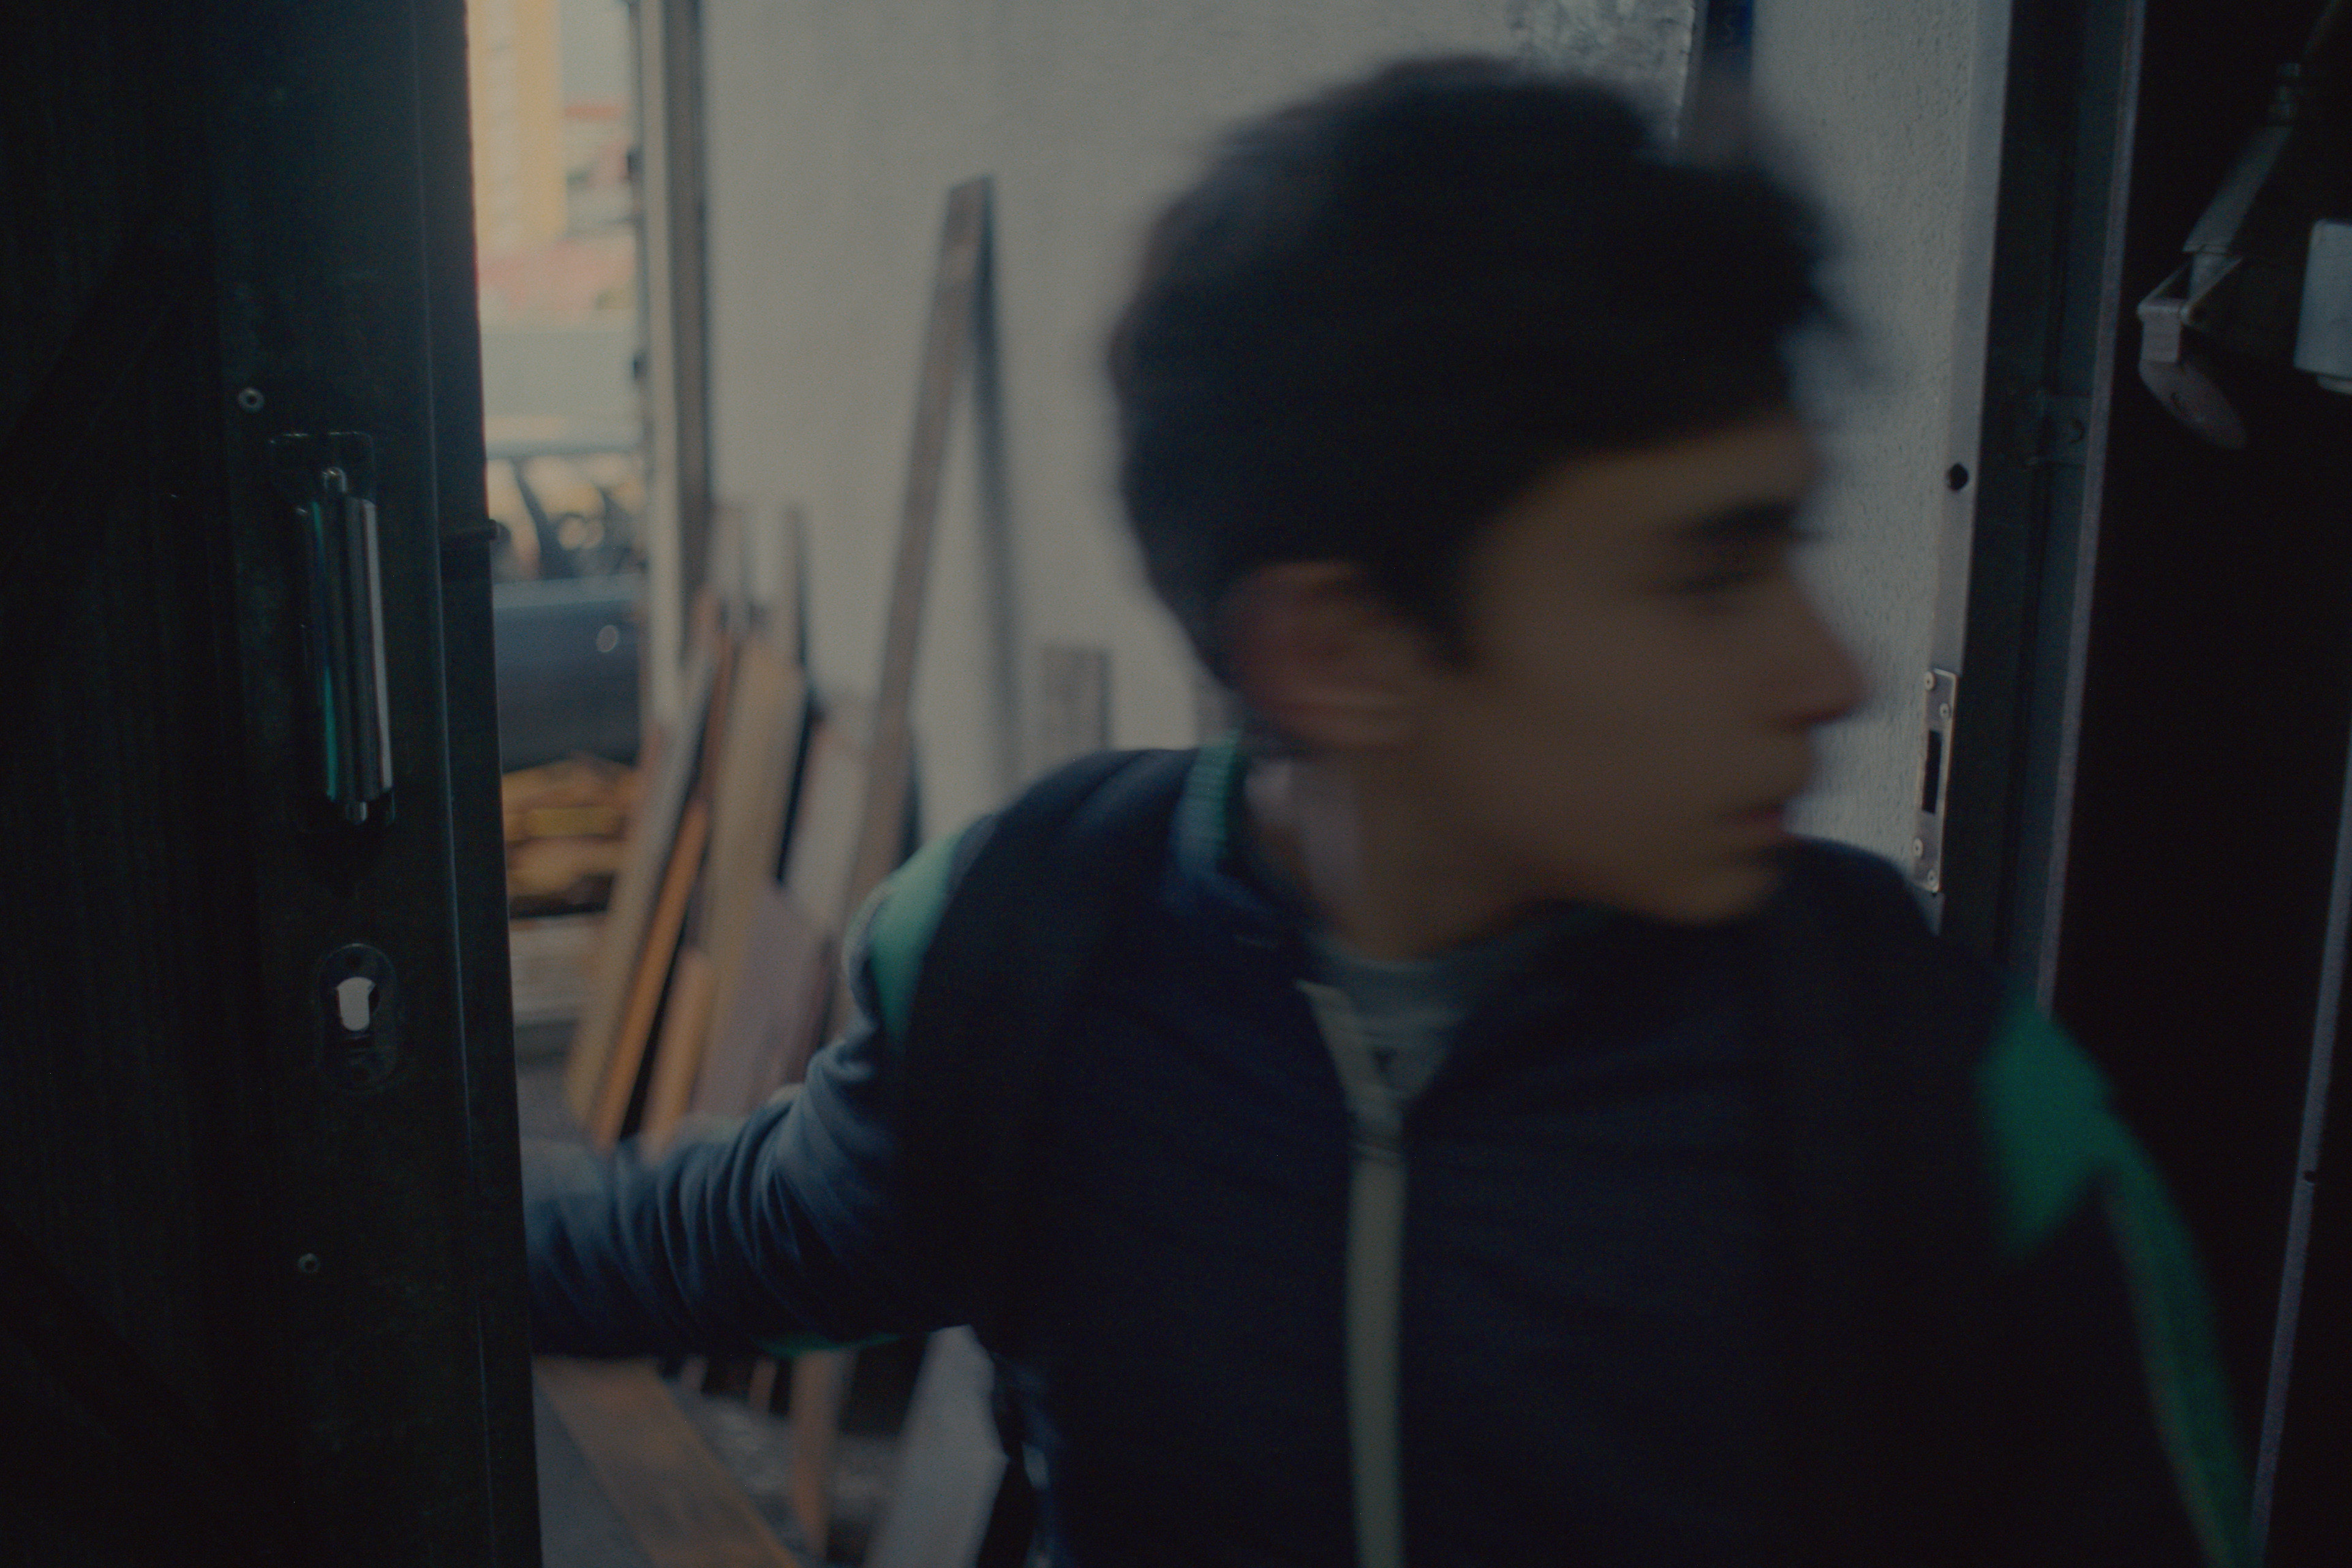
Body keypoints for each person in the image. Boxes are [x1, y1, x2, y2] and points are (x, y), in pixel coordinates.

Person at [527, 56, 2249, 1567]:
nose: (1833, 671)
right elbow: (723, 1243)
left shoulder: (1941, 1109)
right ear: (1338, 653)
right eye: (1707, 578)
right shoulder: (1024, 961)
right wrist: (390, 1249)